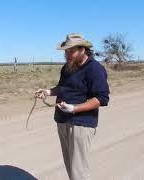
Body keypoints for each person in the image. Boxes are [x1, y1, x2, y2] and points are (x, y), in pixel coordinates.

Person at [35, 33, 110, 180]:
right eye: (66, 51)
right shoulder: (67, 67)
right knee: (70, 166)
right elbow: (62, 87)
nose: (67, 54)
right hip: (62, 121)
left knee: (79, 171)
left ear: (83, 50)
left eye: (71, 51)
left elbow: (102, 98)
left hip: (81, 125)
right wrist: (48, 92)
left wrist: (74, 108)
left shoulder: (94, 69)